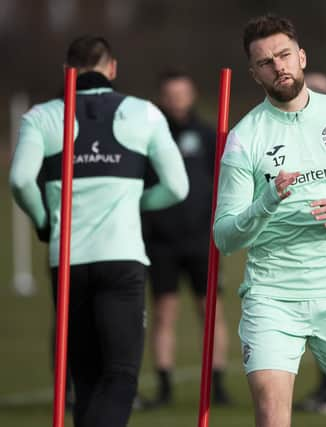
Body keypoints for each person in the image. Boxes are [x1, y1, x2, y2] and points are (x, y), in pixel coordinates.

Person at [214, 14, 326, 427]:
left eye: (284, 55)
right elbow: (224, 236)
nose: (278, 66)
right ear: (254, 74)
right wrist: (266, 201)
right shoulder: (244, 137)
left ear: (302, 56)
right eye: (265, 62)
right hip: (272, 298)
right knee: (272, 418)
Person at [9, 35, 188, 427]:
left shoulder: (41, 116)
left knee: (85, 377)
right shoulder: (144, 113)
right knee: (121, 374)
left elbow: (21, 180)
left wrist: (43, 219)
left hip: (67, 259)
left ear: (66, 72)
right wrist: (136, 202)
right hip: (121, 258)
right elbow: (178, 186)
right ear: (113, 68)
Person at [139, 70, 230, 408]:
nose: (177, 100)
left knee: (211, 313)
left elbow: (223, 183)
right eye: (170, 94)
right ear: (162, 98)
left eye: (182, 94)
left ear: (192, 95)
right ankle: (164, 387)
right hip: (161, 243)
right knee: (164, 313)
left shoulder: (208, 135)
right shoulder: (149, 135)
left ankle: (218, 386)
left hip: (202, 241)